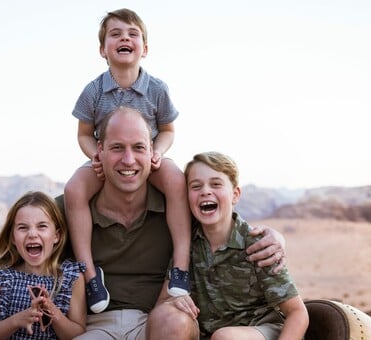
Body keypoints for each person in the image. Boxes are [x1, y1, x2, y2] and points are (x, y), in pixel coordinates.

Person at [58, 106, 287, 339]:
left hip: (156, 322)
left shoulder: (176, 206)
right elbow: (27, 233)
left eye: (138, 147)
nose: (128, 160)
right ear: (100, 150)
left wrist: (275, 237)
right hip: (96, 326)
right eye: (117, 148)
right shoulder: (71, 208)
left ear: (152, 152)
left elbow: (222, 224)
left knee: (173, 320)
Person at [63, 8, 193, 313]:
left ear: (144, 49)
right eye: (116, 34)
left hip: (147, 157)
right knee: (73, 190)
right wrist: (93, 154)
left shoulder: (157, 89)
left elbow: (168, 129)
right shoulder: (93, 91)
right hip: (108, 159)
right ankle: (91, 275)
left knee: (176, 180)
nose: (125, 38)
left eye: (133, 34)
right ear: (102, 49)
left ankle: (182, 266)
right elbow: (83, 134)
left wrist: (157, 151)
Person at [168, 151, 309, 339]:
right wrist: (176, 303)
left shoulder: (259, 245)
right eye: (196, 186)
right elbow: (166, 300)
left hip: (260, 330)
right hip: (209, 334)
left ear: (235, 195)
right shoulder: (187, 244)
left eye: (216, 184)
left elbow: (297, 313)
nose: (205, 191)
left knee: (226, 337)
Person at [0, 191, 86, 340]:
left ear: (56, 236)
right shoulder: (2, 279)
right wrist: (16, 320)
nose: (32, 234)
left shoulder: (71, 278)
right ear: (13, 237)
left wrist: (52, 311)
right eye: (23, 228)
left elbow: (78, 334)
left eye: (42, 226)